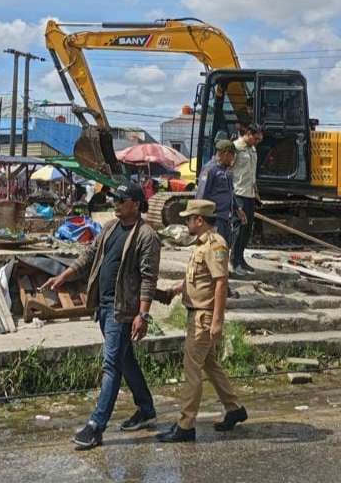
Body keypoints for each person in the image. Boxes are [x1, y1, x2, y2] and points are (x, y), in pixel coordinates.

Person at [41, 183, 161, 450]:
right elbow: (89, 256)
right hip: (104, 306)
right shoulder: (109, 228)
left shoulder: (147, 236)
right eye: (114, 199)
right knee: (124, 359)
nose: (115, 203)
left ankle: (96, 425)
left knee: (111, 365)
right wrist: (64, 276)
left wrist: (143, 314)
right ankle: (146, 409)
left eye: (121, 199)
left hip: (123, 310)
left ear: (136, 204)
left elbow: (149, 279)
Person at [156, 199, 246, 442]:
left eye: (188, 219)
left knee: (192, 369)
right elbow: (199, 278)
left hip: (203, 316)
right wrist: (176, 290)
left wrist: (217, 321)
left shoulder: (215, 245)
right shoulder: (200, 244)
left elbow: (221, 283)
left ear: (199, 220)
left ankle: (186, 424)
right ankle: (234, 408)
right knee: (209, 364)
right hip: (197, 312)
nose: (186, 223)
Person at [231, 124, 264, 275]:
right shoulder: (236, 148)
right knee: (239, 229)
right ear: (249, 134)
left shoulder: (252, 149)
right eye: (256, 138)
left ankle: (241, 259)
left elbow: (252, 173)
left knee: (247, 229)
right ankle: (234, 261)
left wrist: (256, 191)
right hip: (238, 194)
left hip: (250, 194)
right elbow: (229, 171)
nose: (257, 142)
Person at [195, 139, 240, 247]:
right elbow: (201, 194)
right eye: (232, 156)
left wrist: (237, 209)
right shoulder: (210, 169)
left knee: (223, 247)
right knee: (214, 248)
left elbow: (230, 193)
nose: (233, 159)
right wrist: (201, 219)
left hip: (225, 218)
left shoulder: (226, 171)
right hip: (214, 218)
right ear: (225, 154)